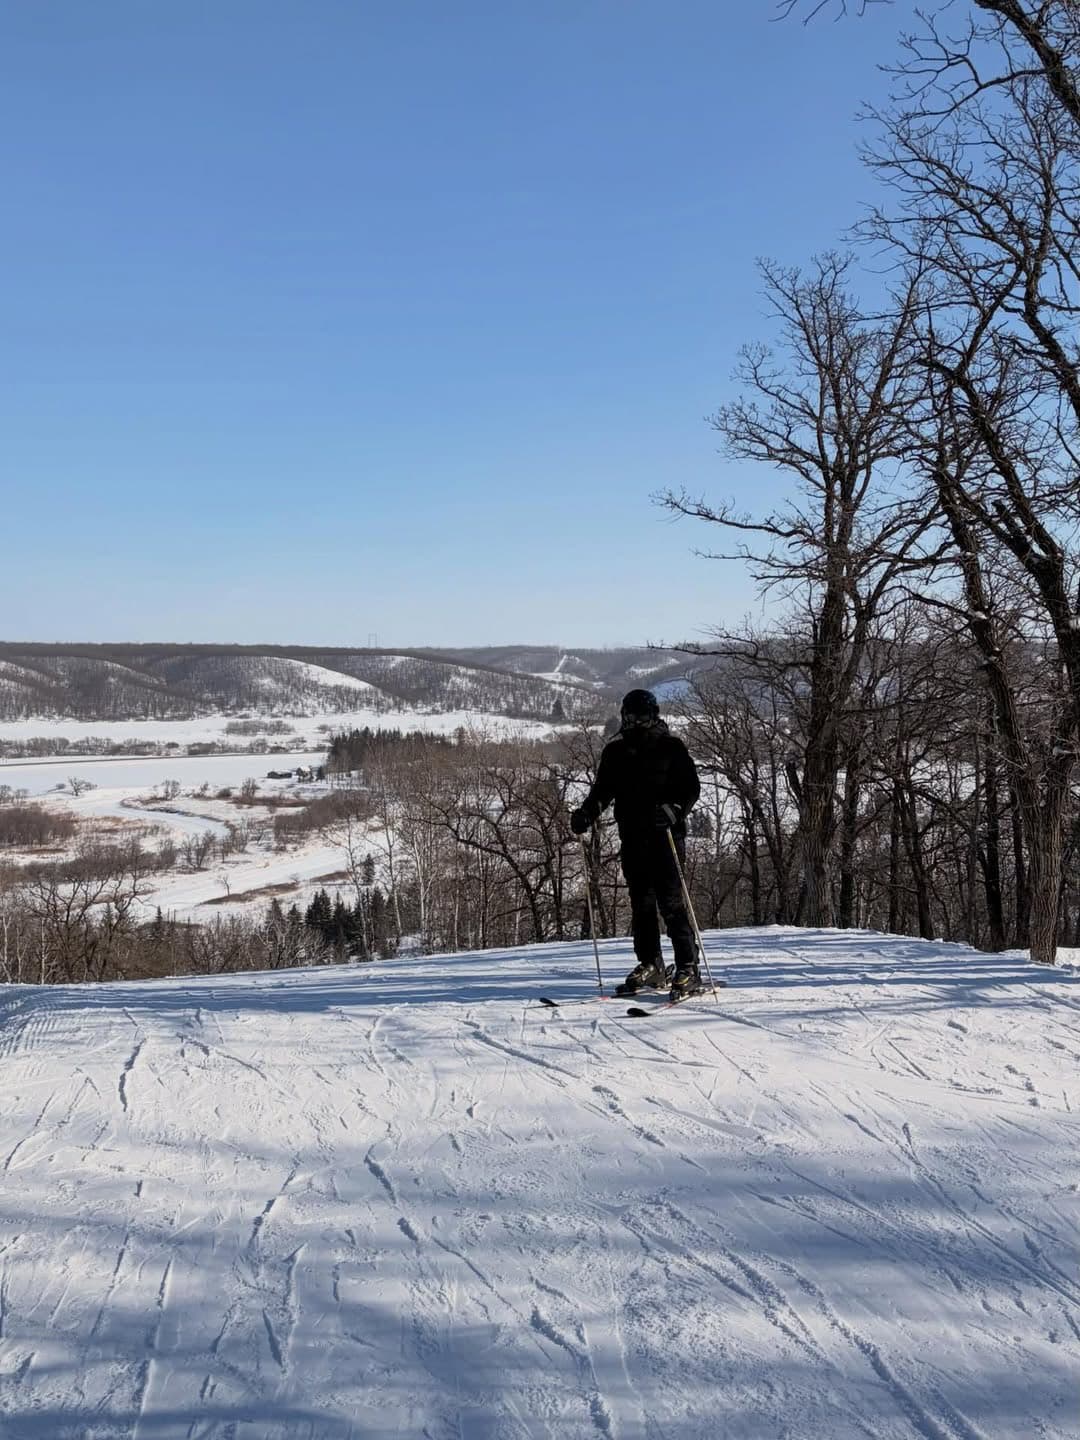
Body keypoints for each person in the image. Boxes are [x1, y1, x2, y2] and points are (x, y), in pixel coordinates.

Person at [570, 688, 703, 999]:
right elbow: (602, 791)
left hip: (666, 837)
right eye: (631, 716)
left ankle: (688, 965)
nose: (636, 721)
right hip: (632, 837)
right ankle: (651, 963)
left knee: (671, 903)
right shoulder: (615, 752)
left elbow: (690, 788)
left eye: (642, 715)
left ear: (653, 715)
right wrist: (587, 813)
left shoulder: (671, 747)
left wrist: (674, 810)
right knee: (641, 903)